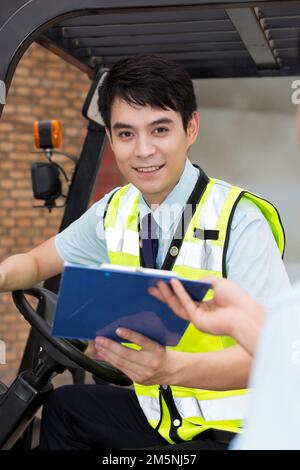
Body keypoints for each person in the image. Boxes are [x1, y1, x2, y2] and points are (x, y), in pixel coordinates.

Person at [0, 55, 290, 450]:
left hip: (236, 432)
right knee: (66, 408)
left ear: (191, 128)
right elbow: (35, 262)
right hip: (164, 419)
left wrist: (171, 369)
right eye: (125, 134)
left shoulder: (240, 221)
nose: (143, 150)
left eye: (160, 129)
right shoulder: (115, 210)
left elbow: (275, 354)